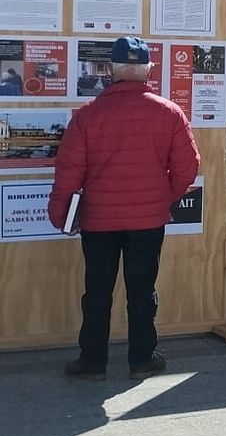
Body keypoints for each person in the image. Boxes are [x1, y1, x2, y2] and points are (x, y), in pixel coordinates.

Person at [49, 37, 200, 380]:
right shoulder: (169, 112)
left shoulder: (87, 116)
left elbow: (68, 173)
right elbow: (188, 167)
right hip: (148, 222)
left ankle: (91, 362)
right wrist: (163, 198)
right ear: (148, 70)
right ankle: (142, 359)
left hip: (99, 221)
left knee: (98, 291)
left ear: (112, 71)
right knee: (142, 290)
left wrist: (60, 215)